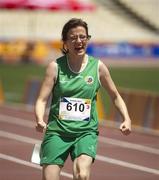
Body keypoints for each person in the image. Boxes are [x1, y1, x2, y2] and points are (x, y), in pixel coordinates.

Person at [35, 18, 131, 180]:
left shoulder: (98, 67)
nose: (79, 41)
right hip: (57, 132)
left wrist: (126, 118)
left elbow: (115, 96)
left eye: (83, 37)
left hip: (85, 132)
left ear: (87, 39)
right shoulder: (55, 67)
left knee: (82, 174)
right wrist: (39, 119)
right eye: (73, 38)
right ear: (65, 42)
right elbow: (42, 100)